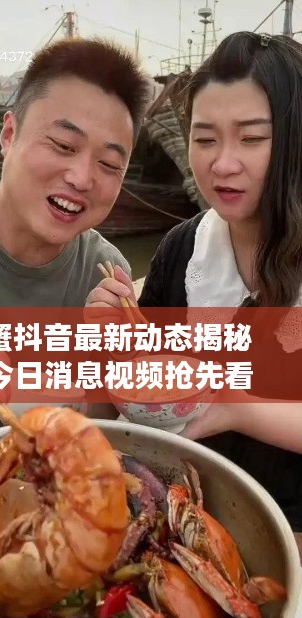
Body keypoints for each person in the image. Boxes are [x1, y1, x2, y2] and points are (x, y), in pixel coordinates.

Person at [86, 31, 302, 529]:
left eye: (252, 138)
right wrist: (108, 349)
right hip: (185, 515)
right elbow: (130, 412)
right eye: (205, 139)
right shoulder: (183, 250)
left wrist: (235, 407)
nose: (222, 163)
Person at [0, 37, 152, 466]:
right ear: (9, 134)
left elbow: (97, 434)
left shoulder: (107, 274)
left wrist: (115, 360)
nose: (81, 178)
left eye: (109, 165)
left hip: (38, 485)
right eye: (63, 145)